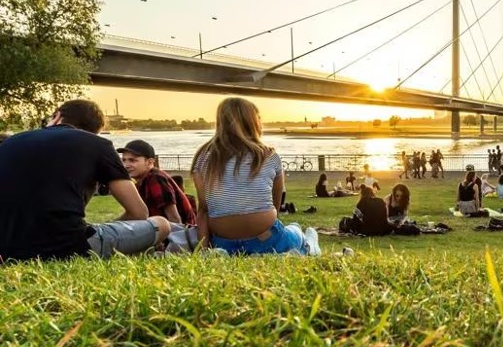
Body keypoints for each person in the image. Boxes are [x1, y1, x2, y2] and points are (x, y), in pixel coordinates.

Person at [0, 100, 170, 261]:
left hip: (7, 248)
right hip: (69, 245)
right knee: (161, 224)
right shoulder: (97, 144)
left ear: (57, 116)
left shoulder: (10, 143)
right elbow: (139, 213)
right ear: (95, 131)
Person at [191, 97, 319, 255]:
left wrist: (202, 250)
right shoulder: (268, 155)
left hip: (224, 243)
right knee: (297, 234)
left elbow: (203, 211)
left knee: (293, 229)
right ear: (253, 122)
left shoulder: (203, 159)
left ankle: (220, 254)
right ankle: (310, 243)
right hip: (267, 238)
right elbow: (275, 204)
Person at [119, 139, 196, 226]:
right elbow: (133, 214)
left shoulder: (155, 179)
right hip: (159, 230)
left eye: (132, 160)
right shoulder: (141, 182)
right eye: (124, 160)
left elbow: (174, 219)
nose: (126, 165)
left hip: (177, 234)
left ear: (149, 162)